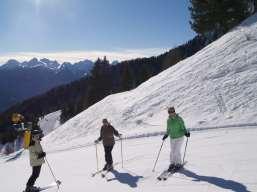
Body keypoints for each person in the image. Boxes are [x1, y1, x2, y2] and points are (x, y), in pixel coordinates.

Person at [162, 107, 190, 171]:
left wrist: (186, 133)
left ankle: (178, 163)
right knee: (172, 151)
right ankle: (172, 163)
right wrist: (166, 135)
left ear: (174, 111)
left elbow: (183, 127)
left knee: (176, 151)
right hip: (172, 138)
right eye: (169, 112)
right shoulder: (168, 120)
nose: (171, 113)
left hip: (180, 137)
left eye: (172, 111)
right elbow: (168, 129)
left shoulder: (179, 119)